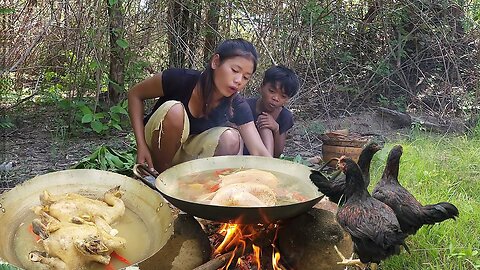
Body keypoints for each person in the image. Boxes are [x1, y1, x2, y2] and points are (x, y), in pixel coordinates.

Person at [128, 38, 271, 173]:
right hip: (155, 148)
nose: (239, 80)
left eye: (246, 77)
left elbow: (258, 151)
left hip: (187, 161)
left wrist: (283, 181)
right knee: (175, 111)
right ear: (215, 62)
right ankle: (155, 177)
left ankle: (193, 188)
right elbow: (135, 94)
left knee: (231, 138)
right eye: (234, 70)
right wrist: (141, 144)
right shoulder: (179, 79)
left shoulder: (237, 105)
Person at [243, 65, 299, 157]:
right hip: (240, 156)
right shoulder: (245, 107)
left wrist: (276, 129)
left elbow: (278, 154)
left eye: (283, 96)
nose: (276, 98)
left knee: (266, 127)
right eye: (272, 91)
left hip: (265, 159)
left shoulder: (285, 116)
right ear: (261, 87)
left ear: (287, 100)